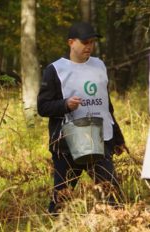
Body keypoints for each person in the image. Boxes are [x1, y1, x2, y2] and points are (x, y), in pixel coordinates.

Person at [37, 22, 129, 214]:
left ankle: (116, 222)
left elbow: (106, 104)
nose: (89, 46)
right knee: (61, 199)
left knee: (111, 194)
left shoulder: (99, 65)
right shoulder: (55, 70)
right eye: (85, 42)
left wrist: (118, 137)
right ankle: (55, 223)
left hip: (101, 139)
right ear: (71, 42)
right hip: (68, 143)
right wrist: (65, 104)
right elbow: (43, 107)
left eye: (92, 42)